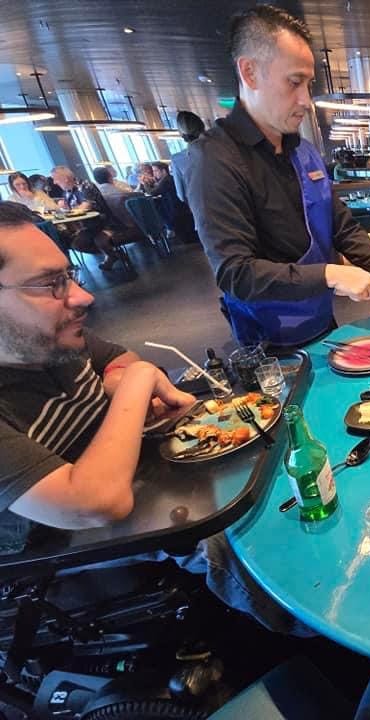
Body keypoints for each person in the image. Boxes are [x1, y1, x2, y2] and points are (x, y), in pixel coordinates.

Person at [0, 202, 315, 636]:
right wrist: (137, 383)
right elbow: (96, 503)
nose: (83, 295)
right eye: (50, 284)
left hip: (141, 469)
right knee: (225, 536)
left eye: (68, 275)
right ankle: (311, 624)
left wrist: (120, 382)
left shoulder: (49, 340)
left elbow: (117, 358)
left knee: (274, 458)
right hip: (68, 546)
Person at [185, 4, 370, 346]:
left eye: (308, 84)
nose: (306, 100)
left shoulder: (303, 149)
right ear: (249, 73)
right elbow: (235, 272)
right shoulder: (214, 159)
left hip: (321, 320)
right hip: (269, 341)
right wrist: (329, 273)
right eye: (294, 82)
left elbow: (340, 224)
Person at [50, 166, 124, 271]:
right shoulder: (67, 192)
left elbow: (87, 204)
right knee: (76, 244)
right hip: (88, 227)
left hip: (104, 223)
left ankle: (111, 254)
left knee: (93, 241)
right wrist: (64, 207)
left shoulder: (85, 185)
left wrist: (71, 210)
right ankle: (113, 254)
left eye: (55, 179)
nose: (54, 183)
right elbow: (71, 208)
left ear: (65, 179)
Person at [171, 111, 206, 203]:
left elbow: (181, 195)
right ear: (202, 126)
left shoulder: (177, 159)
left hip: (200, 208)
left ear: (181, 133)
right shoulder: (221, 149)